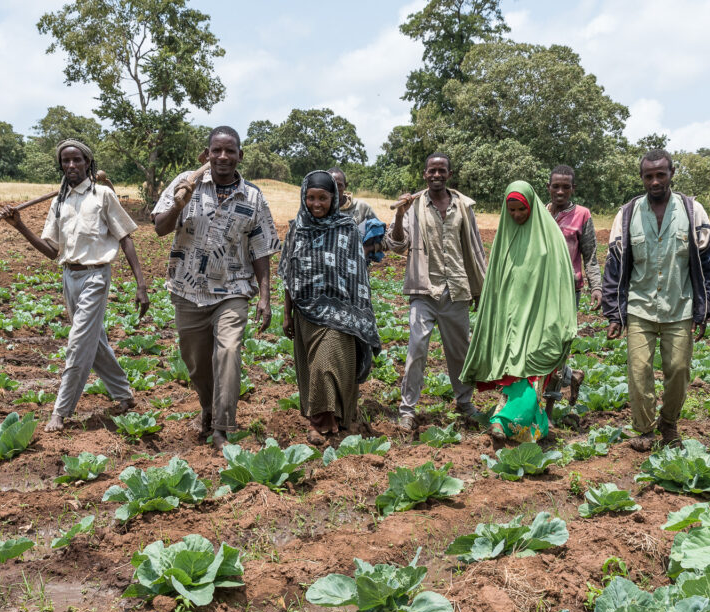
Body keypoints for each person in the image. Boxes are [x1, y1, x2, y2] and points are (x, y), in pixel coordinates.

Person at [0, 139, 149, 432]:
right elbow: (52, 250)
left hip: (96, 275)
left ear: (87, 163)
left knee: (79, 343)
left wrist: (140, 284)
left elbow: (126, 238)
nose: (71, 165)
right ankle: (124, 395)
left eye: (77, 160)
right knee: (95, 343)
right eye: (66, 161)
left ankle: (61, 411)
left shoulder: (103, 195)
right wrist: (20, 226)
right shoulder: (59, 202)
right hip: (69, 277)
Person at [152, 126, 280, 447]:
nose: (223, 157)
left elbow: (261, 249)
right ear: (206, 155)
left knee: (229, 352)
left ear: (240, 156)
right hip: (187, 289)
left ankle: (223, 427)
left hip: (233, 290)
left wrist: (265, 295)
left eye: (230, 151)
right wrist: (179, 204)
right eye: (217, 151)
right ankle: (207, 408)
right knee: (196, 363)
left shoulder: (252, 196)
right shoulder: (186, 184)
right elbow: (159, 228)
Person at [601, 149, 710, 451]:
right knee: (639, 371)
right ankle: (644, 428)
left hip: (681, 307)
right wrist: (614, 314)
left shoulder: (693, 212)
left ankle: (669, 421)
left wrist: (704, 311)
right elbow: (614, 267)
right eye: (648, 176)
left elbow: (707, 266)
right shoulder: (627, 215)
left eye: (660, 175)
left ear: (671, 174)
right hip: (640, 307)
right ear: (641, 177)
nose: (654, 181)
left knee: (678, 370)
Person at [461, 182, 577, 441]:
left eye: (521, 210)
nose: (516, 215)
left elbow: (561, 283)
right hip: (510, 322)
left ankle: (503, 422)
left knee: (530, 372)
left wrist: (562, 322)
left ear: (531, 206)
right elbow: (496, 284)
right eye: (510, 210)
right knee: (513, 374)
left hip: (540, 321)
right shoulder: (505, 238)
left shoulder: (550, 238)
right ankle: (534, 430)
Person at [279, 171, 382, 445]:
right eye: (311, 198)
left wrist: (359, 314)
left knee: (331, 365)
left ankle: (321, 424)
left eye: (322, 198)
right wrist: (287, 313)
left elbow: (358, 275)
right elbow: (289, 274)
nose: (316, 204)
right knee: (314, 369)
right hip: (306, 311)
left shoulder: (347, 228)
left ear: (333, 198)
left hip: (342, 314)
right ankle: (329, 421)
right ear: (304, 197)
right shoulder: (296, 229)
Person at [387, 153, 487, 431]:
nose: (436, 175)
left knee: (459, 351)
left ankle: (464, 401)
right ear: (424, 174)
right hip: (424, 290)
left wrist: (480, 288)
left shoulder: (463, 207)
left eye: (441, 171)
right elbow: (396, 245)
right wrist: (399, 215)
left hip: (457, 289)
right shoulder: (414, 206)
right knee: (417, 348)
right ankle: (407, 409)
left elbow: (474, 248)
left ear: (449, 175)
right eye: (432, 170)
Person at [542, 164, 603, 420]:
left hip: (569, 290)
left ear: (573, 189)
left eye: (566, 187)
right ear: (549, 187)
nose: (560, 191)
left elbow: (590, 255)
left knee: (559, 348)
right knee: (538, 346)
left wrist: (596, 286)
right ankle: (572, 376)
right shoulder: (540, 213)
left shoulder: (582, 215)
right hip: (540, 291)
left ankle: (549, 408)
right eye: (556, 186)